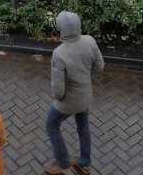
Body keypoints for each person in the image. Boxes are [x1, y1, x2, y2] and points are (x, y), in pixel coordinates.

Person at [44, 11, 104, 175]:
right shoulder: (90, 41)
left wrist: (61, 97)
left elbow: (58, 90)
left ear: (60, 30)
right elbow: (100, 66)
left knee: (51, 124)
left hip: (68, 102)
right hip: (85, 97)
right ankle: (84, 164)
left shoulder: (59, 53)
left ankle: (63, 161)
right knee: (83, 126)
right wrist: (83, 77)